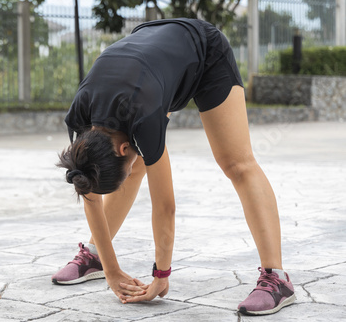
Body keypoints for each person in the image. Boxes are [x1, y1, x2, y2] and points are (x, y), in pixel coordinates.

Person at [52, 18, 296, 316]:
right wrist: (112, 269)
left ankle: (277, 278)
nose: (130, 169)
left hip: (203, 52)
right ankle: (95, 256)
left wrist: (161, 275)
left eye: (125, 164)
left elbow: (165, 206)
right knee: (131, 166)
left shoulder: (144, 117)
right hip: (153, 61)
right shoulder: (81, 113)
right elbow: (87, 184)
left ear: (123, 148)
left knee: (236, 163)